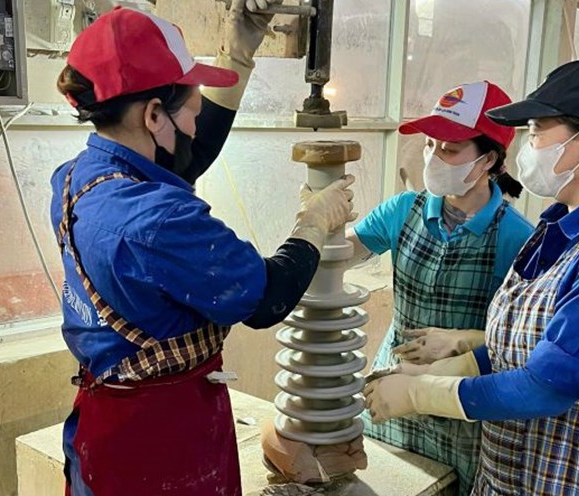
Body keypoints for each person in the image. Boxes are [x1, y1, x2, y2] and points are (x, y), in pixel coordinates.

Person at [50, 4, 355, 496]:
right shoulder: (160, 220)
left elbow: (185, 155)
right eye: (192, 105)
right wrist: (313, 224)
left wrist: (240, 50)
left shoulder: (78, 179)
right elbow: (266, 299)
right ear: (153, 115)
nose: (197, 121)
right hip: (160, 444)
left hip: (107, 419)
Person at [364, 60, 579, 496]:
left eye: (535, 131)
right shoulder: (560, 229)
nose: (527, 148)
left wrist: (421, 395)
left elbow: (548, 385)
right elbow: (522, 345)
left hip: (574, 470)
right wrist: (438, 366)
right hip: (512, 463)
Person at [348, 81, 533, 493]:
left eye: (449, 150)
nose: (433, 157)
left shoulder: (515, 238)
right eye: (430, 145)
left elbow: (521, 345)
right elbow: (344, 253)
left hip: (458, 395)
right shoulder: (403, 210)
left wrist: (464, 345)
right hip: (393, 381)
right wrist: (318, 228)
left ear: (488, 160)